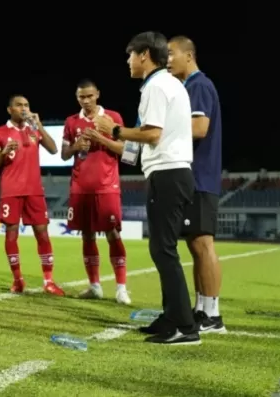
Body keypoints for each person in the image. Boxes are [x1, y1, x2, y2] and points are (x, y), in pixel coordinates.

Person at [94, 31, 199, 345]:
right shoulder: (167, 84)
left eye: (129, 55)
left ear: (143, 55)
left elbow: (151, 135)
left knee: (163, 249)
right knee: (162, 248)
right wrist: (104, 140)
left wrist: (113, 128)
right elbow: (135, 151)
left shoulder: (156, 86)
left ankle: (185, 326)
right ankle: (171, 318)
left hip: (168, 174)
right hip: (170, 172)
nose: (127, 61)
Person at [168, 36, 225, 333]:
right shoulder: (187, 87)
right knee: (194, 244)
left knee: (203, 243)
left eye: (171, 54)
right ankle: (202, 307)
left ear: (188, 55)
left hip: (201, 177)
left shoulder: (198, 85)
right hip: (194, 177)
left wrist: (162, 133)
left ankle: (214, 315)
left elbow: (199, 128)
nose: (167, 60)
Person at [62, 79, 130, 305]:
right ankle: (95, 286)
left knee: (113, 234)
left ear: (98, 94)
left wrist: (101, 138)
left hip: (106, 187)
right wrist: (75, 147)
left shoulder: (113, 118)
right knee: (87, 235)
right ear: (77, 97)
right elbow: (63, 154)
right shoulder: (71, 122)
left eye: (90, 96)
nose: (86, 101)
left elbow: (127, 152)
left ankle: (121, 288)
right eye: (82, 97)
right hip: (80, 188)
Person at [0, 95, 64, 296]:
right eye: (19, 105)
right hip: (11, 191)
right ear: (9, 109)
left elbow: (54, 149)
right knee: (11, 234)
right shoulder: (0, 132)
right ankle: (18, 279)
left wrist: (39, 125)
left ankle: (48, 280)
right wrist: (3, 153)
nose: (23, 108)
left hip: (34, 191)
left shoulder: (33, 131)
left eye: (27, 105)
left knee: (42, 233)